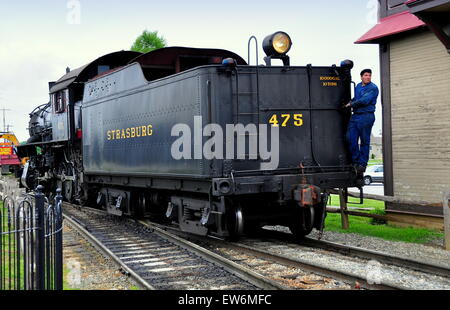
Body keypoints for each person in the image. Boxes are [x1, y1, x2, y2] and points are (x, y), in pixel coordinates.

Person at [344, 69, 379, 174]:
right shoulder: (358, 86)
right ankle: (355, 161)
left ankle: (362, 164)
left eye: (369, 75)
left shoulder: (373, 88)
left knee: (364, 141)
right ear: (361, 77)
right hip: (356, 116)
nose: (368, 77)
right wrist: (349, 102)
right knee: (350, 138)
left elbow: (365, 100)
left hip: (366, 116)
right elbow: (356, 98)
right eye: (366, 75)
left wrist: (351, 105)